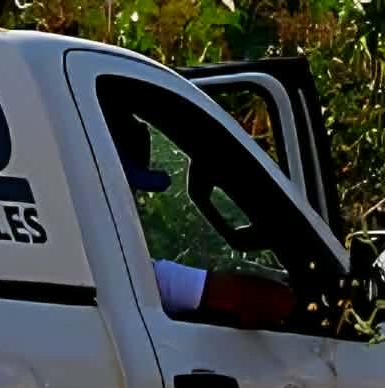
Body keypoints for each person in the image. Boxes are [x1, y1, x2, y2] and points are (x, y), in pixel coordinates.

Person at [110, 111, 299, 332]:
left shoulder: (104, 266)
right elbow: (268, 301)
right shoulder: (121, 273)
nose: (133, 202)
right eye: (126, 190)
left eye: (133, 192)